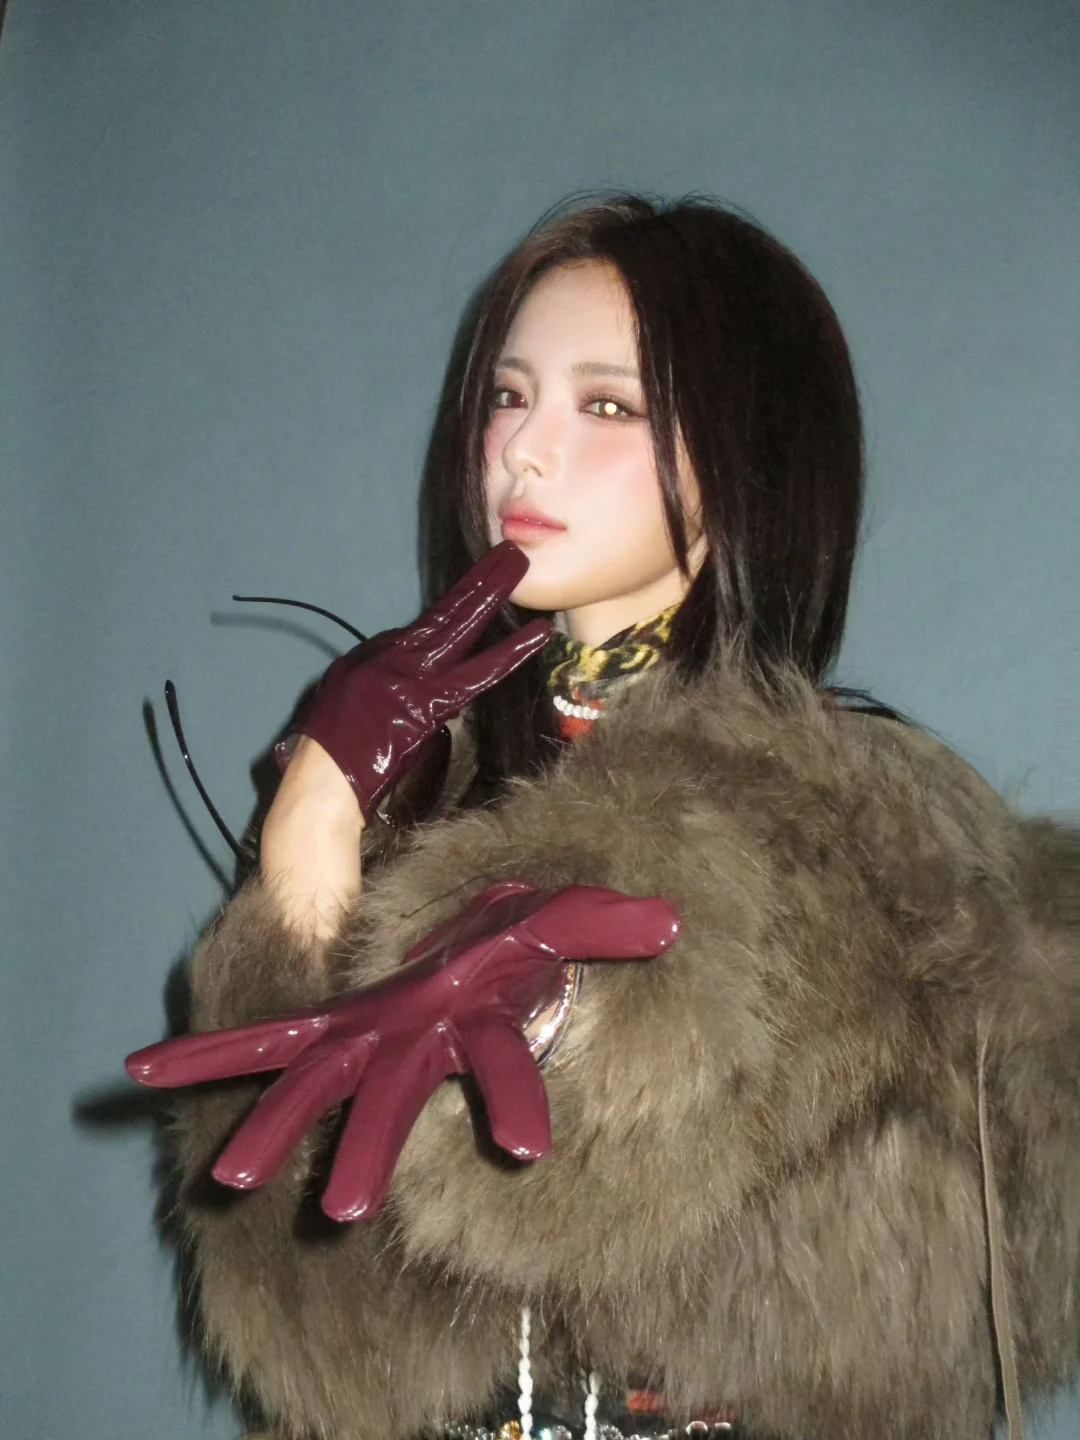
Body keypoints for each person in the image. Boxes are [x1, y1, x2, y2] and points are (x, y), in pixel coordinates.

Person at [127, 196, 1080, 1440]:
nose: (524, 451)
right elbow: (324, 1343)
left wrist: (550, 1003)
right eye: (508, 396)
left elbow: (627, 1187)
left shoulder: (862, 830)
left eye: (609, 407)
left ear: (745, 456)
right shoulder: (438, 808)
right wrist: (313, 820)